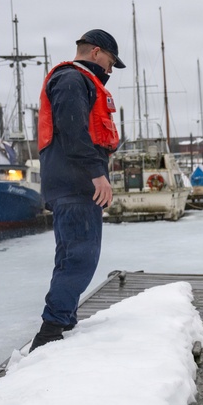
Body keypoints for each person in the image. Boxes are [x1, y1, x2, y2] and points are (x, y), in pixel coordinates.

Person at [29, 29, 126, 351]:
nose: (110, 71)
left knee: (70, 255)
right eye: (111, 62)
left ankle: (63, 320)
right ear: (96, 52)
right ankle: (51, 330)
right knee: (81, 258)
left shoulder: (74, 80)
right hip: (75, 184)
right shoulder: (73, 80)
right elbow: (73, 132)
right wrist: (97, 174)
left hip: (68, 183)